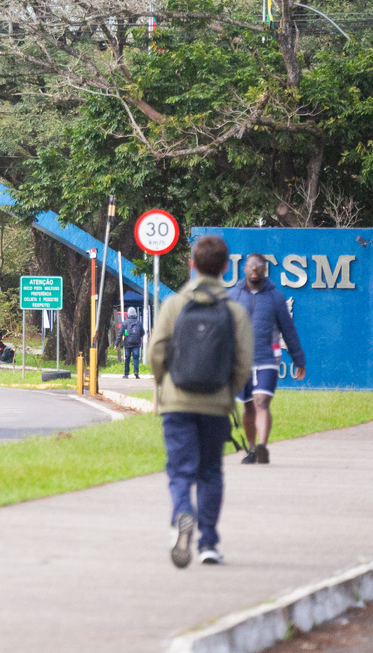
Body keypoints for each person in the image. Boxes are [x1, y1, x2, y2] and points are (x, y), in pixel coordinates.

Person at [148, 235, 253, 568]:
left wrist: (165, 384)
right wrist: (227, 391)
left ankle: (182, 514)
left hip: (177, 403)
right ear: (225, 267)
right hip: (216, 404)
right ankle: (208, 542)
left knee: (180, 471)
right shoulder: (234, 310)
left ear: (192, 264)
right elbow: (244, 361)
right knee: (210, 471)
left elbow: (156, 352)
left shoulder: (174, 305)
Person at [229, 253, 306, 465]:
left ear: (264, 269)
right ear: (245, 268)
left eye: (259, 265)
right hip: (241, 362)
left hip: (268, 359)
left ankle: (262, 446)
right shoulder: (233, 295)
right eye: (251, 265)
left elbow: (288, 330)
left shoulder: (276, 297)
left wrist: (299, 360)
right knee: (248, 407)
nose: (254, 269)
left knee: (261, 401)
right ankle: (251, 449)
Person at [114, 306, 145, 379]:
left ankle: (126, 374)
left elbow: (120, 334)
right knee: (136, 358)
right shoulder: (139, 322)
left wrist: (116, 344)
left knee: (127, 358)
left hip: (127, 343)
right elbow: (142, 333)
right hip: (136, 343)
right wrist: (138, 337)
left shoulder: (125, 323)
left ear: (128, 314)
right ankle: (136, 371)